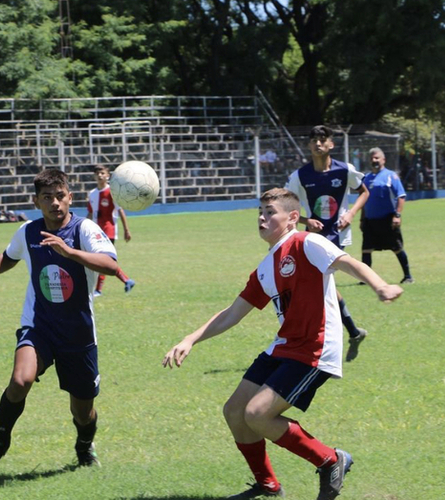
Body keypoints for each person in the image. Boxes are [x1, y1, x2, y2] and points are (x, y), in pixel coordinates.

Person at [162, 188, 403, 500]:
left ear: (292, 218)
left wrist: (381, 286)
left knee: (257, 414)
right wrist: (190, 338)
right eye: (259, 212)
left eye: (270, 211)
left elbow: (348, 263)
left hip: (314, 349)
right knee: (235, 411)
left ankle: (330, 460)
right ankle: (268, 485)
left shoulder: (307, 242)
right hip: (284, 346)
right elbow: (233, 312)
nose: (262, 217)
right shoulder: (266, 267)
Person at [0, 168, 119, 473]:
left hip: (78, 333)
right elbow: (8, 257)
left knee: (83, 412)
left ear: (70, 197)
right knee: (20, 380)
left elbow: (110, 265)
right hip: (39, 326)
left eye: (60, 196)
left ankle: (84, 446)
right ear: (37, 201)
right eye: (47, 198)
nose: (55, 203)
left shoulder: (84, 230)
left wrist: (69, 251)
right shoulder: (29, 232)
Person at [285, 125, 370, 362]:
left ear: (331, 144)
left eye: (323, 140)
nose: (318, 144)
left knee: (319, 286)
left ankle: (317, 343)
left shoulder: (345, 170)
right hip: (313, 238)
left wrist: (351, 213)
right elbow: (284, 206)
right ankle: (351, 332)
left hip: (337, 235)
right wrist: (305, 219)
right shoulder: (300, 176)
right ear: (309, 145)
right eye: (314, 140)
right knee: (323, 287)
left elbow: (364, 191)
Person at [360, 147, 413, 284]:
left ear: (383, 160)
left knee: (397, 247)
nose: (374, 160)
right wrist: (362, 219)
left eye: (377, 157)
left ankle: (408, 276)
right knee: (366, 250)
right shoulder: (366, 178)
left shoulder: (391, 176)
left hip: (387, 220)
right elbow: (364, 199)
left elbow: (401, 196)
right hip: (370, 221)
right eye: (372, 158)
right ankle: (366, 280)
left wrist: (397, 215)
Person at [86, 164, 135, 296]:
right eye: (97, 173)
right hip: (96, 231)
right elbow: (90, 214)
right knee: (102, 261)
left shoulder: (112, 192)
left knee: (103, 260)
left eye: (102, 173)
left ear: (108, 176)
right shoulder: (92, 194)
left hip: (109, 230)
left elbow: (120, 211)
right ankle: (126, 280)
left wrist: (126, 230)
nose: (100, 175)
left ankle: (98, 290)